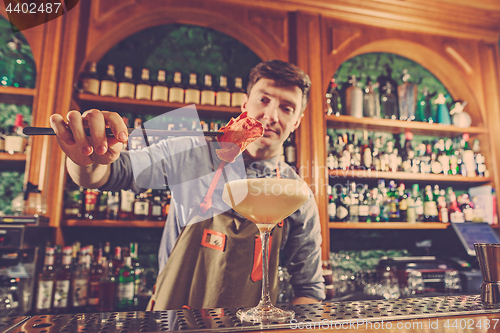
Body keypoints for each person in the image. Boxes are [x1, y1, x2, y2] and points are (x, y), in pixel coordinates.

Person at [50, 60, 325, 309]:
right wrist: (87, 156)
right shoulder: (191, 153)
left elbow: (309, 291)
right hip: (172, 320)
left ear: (297, 121)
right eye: (263, 100)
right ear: (245, 105)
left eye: (287, 108)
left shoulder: (296, 193)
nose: (271, 115)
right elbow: (112, 173)